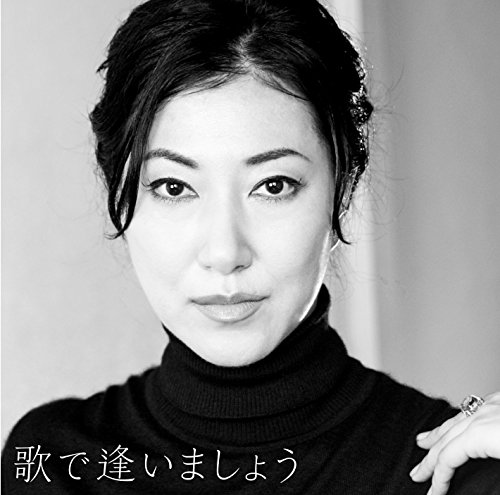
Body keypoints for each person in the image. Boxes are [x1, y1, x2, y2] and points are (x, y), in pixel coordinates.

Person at [2, 0, 499, 493]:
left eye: (273, 186)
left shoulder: (449, 470)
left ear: (343, 190)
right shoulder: (52, 461)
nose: (224, 253)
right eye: (174, 187)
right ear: (121, 194)